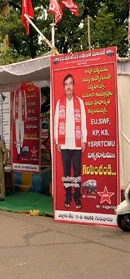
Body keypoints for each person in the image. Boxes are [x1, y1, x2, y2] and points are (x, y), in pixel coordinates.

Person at [54, 74, 87, 210]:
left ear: (73, 86)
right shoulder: (59, 103)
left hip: (77, 144)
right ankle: (68, 196)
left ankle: (77, 198)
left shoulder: (80, 102)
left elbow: (84, 122)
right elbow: (56, 123)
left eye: (70, 84)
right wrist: (57, 141)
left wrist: (84, 140)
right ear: (64, 87)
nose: (68, 86)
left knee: (77, 172)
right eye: (66, 84)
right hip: (65, 144)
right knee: (67, 172)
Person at [13, 85, 27, 158]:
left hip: (22, 117)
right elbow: (14, 105)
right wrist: (14, 116)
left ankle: (21, 147)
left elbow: (25, 105)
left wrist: (26, 115)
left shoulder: (24, 92)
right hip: (17, 117)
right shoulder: (16, 93)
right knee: (17, 136)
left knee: (22, 134)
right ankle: (18, 151)